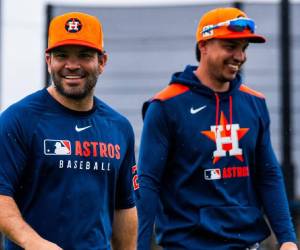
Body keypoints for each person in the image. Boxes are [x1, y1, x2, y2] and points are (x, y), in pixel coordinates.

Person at [136, 7, 298, 250]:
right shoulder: (165, 106)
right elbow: (147, 183)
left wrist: (288, 240)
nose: (239, 56)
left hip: (247, 244)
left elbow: (269, 175)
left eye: (243, 48)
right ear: (203, 46)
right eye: (230, 46)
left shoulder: (255, 103)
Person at [0, 12, 137, 250]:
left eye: (84, 56)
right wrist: (34, 243)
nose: (72, 66)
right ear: (48, 60)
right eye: (62, 55)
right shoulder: (18, 119)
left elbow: (124, 207)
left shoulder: (119, 127)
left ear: (102, 61)